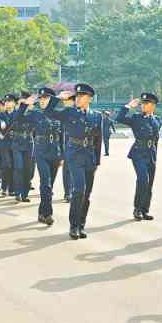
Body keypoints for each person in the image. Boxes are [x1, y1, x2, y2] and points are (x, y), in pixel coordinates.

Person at [45, 84, 103, 240]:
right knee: (79, 189)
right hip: (74, 154)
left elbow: (98, 139)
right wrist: (57, 98)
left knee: (87, 193)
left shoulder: (97, 116)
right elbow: (48, 112)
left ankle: (81, 225)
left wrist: (97, 161)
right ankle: (73, 226)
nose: (77, 98)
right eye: (76, 96)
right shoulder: (69, 112)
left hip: (89, 156)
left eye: (81, 96)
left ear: (90, 98)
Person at [19, 88, 64, 225]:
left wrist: (62, 154)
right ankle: (48, 213)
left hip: (55, 151)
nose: (43, 100)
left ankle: (41, 212)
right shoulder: (35, 114)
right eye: (41, 98)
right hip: (41, 151)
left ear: (51, 100)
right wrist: (25, 104)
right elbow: (19, 118)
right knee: (46, 183)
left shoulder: (58, 114)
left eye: (46, 98)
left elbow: (62, 135)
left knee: (49, 186)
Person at [116, 93, 162, 221]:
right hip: (138, 153)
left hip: (151, 153)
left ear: (153, 106)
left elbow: (156, 139)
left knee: (150, 182)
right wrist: (128, 106)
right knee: (143, 179)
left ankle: (144, 210)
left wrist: (155, 154)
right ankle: (137, 208)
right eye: (142, 103)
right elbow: (119, 118)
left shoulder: (157, 120)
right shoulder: (136, 118)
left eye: (146, 103)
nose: (143, 105)